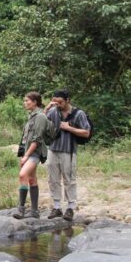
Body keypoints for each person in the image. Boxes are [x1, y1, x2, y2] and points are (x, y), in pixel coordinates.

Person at [44, 89, 91, 221]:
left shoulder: (78, 114)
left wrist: (69, 127)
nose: (57, 104)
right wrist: (47, 108)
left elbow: (86, 132)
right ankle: (57, 207)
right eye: (55, 101)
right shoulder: (53, 111)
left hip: (69, 151)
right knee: (53, 179)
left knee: (69, 179)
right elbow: (41, 124)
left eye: (60, 102)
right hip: (53, 150)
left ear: (67, 100)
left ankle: (70, 208)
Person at [13, 91, 49, 219]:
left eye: (27, 101)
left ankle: (21, 209)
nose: (25, 103)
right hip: (29, 151)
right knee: (32, 179)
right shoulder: (32, 116)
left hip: (35, 152)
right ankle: (34, 211)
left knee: (23, 175)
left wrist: (26, 156)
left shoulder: (40, 116)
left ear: (35, 102)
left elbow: (37, 139)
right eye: (24, 101)